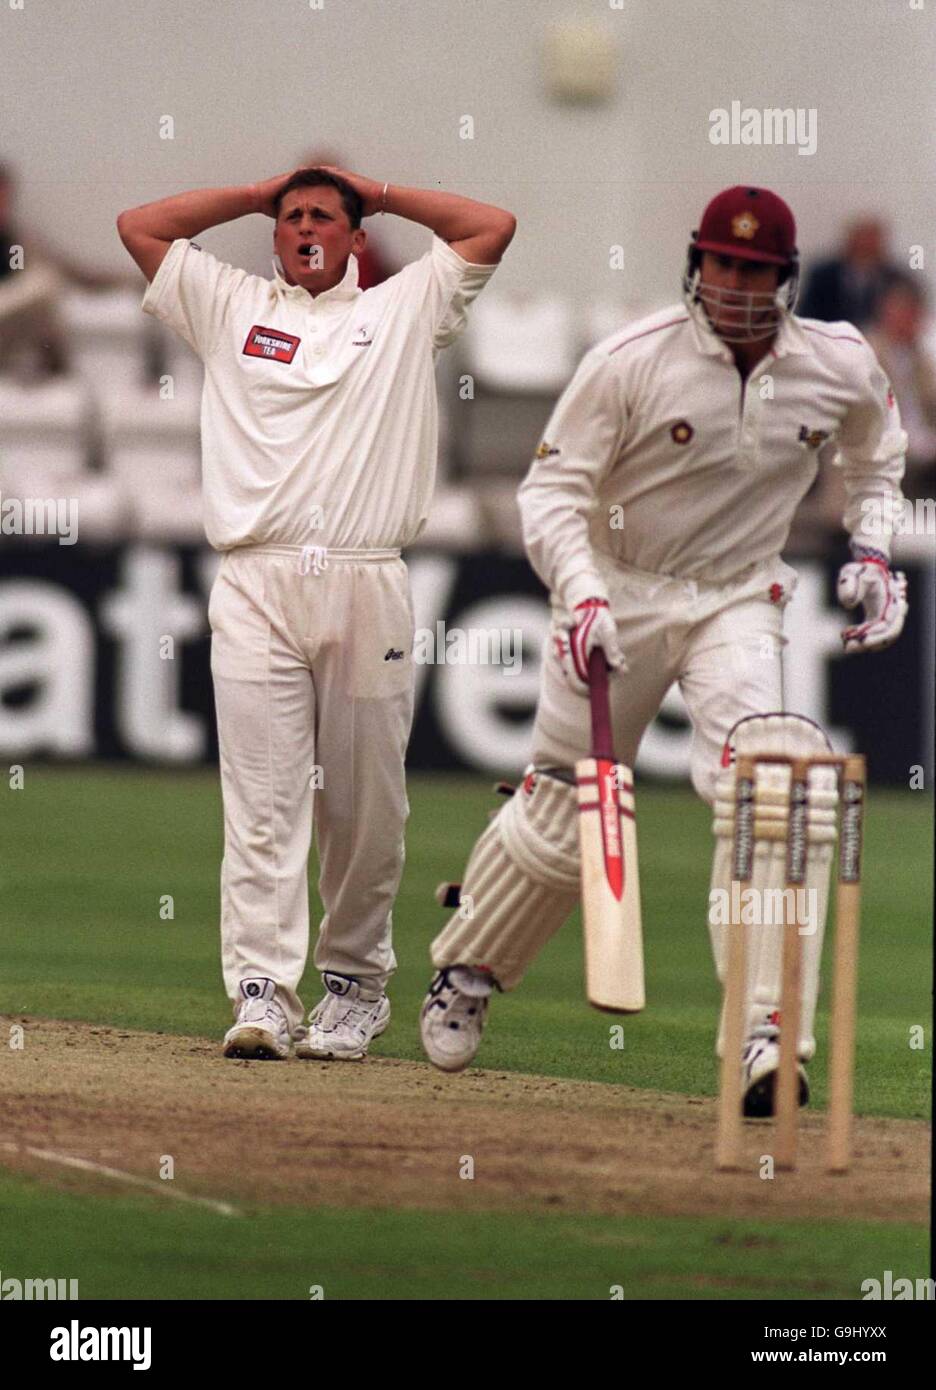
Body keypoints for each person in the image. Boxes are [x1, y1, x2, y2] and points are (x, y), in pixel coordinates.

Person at [419, 186, 907, 1119]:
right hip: (618, 588)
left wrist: (877, 551)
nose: (735, 283)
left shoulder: (838, 363)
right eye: (722, 263)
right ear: (697, 263)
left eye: (755, 270)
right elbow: (551, 491)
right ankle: (471, 966)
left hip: (736, 598)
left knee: (776, 785)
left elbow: (876, 460)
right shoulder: (631, 361)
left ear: (786, 279)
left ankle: (767, 1034)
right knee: (565, 816)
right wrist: (582, 589)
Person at [116, 166, 515, 1061]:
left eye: (323, 217)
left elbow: (491, 220)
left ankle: (356, 985)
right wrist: (252, 189)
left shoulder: (407, 306)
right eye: (291, 216)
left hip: (365, 577)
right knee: (261, 800)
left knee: (366, 808)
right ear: (272, 232)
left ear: (354, 236)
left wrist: (375, 188)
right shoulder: (230, 306)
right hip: (256, 580)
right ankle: (262, 991)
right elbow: (140, 225)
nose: (305, 227)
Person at [864, 275, 936, 502]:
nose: (907, 319)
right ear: (885, 313)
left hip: (923, 442)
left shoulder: (920, 355)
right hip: (883, 442)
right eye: (900, 311)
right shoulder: (867, 350)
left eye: (912, 312)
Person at [798, 217, 901, 329]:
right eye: (863, 238)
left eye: (871, 239)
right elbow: (808, 314)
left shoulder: (894, 280)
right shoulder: (823, 276)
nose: (866, 244)